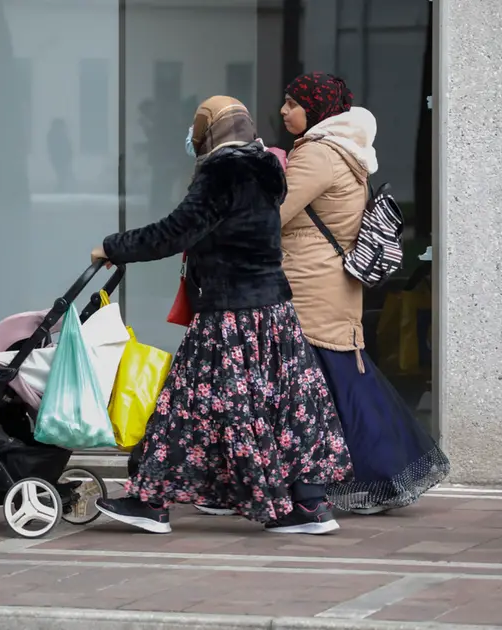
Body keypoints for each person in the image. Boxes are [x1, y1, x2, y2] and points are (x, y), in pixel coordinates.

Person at [91, 96, 353, 535]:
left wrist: (112, 247)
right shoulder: (267, 169)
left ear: (208, 132)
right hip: (275, 312)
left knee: (187, 405)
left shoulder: (221, 172)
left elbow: (174, 232)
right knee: (288, 406)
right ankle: (309, 504)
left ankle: (150, 501)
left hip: (229, 316)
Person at [275, 72, 449, 514]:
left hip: (311, 284)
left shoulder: (317, 154)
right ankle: (377, 474)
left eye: (293, 103)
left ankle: (377, 475)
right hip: (330, 282)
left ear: (315, 109)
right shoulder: (346, 152)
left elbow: (274, 215)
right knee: (343, 383)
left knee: (336, 385)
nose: (284, 111)